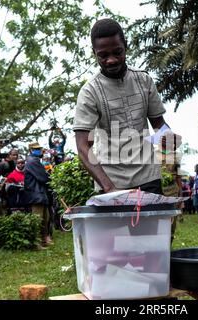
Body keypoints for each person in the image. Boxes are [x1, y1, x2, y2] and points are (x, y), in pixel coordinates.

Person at [73, 18, 181, 195]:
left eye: (117, 52)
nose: (111, 60)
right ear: (94, 53)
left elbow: (158, 124)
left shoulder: (144, 80)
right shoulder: (89, 91)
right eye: (103, 55)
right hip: (110, 180)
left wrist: (167, 137)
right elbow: (83, 147)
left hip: (148, 176)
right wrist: (108, 187)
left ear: (126, 46)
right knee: (118, 224)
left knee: (152, 223)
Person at [23, 142, 51, 247]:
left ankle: (43, 241)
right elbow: (43, 177)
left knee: (45, 218)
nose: (39, 150)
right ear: (31, 150)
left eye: (39, 148)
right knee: (37, 219)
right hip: (35, 194)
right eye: (36, 149)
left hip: (40, 193)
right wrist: (51, 179)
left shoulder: (34, 160)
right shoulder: (32, 161)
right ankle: (36, 243)